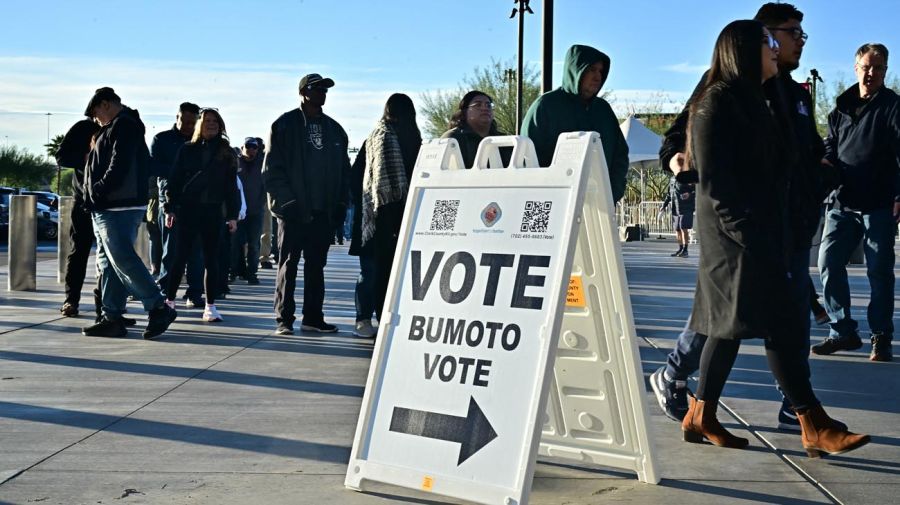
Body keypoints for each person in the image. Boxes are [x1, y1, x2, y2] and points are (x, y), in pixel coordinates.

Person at [680, 19, 868, 458]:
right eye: (767, 44)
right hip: (737, 241)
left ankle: (699, 415)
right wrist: (755, 239)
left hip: (768, 231)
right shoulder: (716, 103)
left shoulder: (761, 99)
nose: (774, 51)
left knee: (727, 330)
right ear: (744, 51)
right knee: (781, 323)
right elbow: (717, 188)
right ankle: (812, 423)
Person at [651, 3, 839, 431]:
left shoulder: (793, 93)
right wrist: (675, 162)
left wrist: (822, 174)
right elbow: (681, 135)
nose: (797, 42)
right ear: (763, 36)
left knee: (781, 316)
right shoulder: (725, 88)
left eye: (799, 35)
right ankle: (678, 375)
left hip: (787, 222)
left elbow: (805, 152)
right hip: (741, 224)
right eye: (791, 33)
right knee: (723, 315)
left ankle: (795, 407)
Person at [814, 43, 900, 362]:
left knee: (879, 271)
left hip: (879, 204)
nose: (871, 72)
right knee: (828, 262)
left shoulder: (893, 107)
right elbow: (829, 147)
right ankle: (842, 331)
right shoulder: (840, 109)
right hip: (842, 203)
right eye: (866, 66)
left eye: (878, 67)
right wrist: (823, 165)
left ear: (885, 71)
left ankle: (881, 337)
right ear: (856, 68)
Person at [80, 87, 177, 339]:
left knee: (122, 257)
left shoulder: (124, 125)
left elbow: (119, 165)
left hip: (117, 205)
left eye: (95, 113)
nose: (95, 119)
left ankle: (158, 306)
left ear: (105, 105)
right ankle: (111, 316)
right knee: (110, 263)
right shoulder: (116, 127)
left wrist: (98, 192)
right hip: (108, 205)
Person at [263, 73, 350, 335]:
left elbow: (344, 171)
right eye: (317, 88)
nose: (322, 93)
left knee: (316, 266)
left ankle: (313, 317)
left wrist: (341, 203)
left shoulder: (335, 129)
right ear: (303, 92)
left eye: (325, 89)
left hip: (323, 210)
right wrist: (286, 202)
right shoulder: (285, 125)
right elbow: (272, 170)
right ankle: (284, 319)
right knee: (288, 263)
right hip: (292, 211)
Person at [521, 44, 628, 203]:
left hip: (599, 207)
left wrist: (611, 193)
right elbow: (527, 157)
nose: (598, 76)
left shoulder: (603, 110)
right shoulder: (545, 106)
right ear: (576, 69)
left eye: (600, 71)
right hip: (555, 205)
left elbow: (620, 154)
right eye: (592, 69)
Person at [163, 108, 240, 322]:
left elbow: (231, 187)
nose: (211, 124)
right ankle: (169, 301)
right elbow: (174, 180)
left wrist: (232, 215)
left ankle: (210, 306)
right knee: (179, 257)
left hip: (213, 211)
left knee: (211, 260)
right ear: (199, 124)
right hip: (187, 210)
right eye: (207, 121)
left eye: (215, 121)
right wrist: (169, 208)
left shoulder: (226, 152)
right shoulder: (187, 149)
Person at [362, 93, 422, 328]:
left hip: (382, 212)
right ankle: (388, 315)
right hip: (398, 211)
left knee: (383, 269)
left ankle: (382, 316)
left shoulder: (377, 134)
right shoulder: (398, 136)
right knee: (393, 269)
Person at [151, 102, 205, 308]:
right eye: (185, 121)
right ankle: (166, 291)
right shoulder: (162, 139)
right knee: (170, 250)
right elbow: (153, 166)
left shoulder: (200, 141)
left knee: (196, 252)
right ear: (177, 117)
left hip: (197, 203)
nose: (188, 126)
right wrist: (180, 170)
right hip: (170, 202)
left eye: (193, 122)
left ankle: (195, 292)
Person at [57, 118, 100, 318]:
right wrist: (88, 158)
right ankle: (71, 300)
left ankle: (109, 305)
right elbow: (62, 156)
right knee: (79, 251)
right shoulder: (84, 127)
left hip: (112, 202)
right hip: (83, 200)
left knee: (112, 257)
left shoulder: (120, 127)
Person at [348, 141, 377, 338]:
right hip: (372, 220)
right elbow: (354, 179)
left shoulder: (412, 139)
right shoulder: (375, 142)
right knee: (370, 272)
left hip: (400, 220)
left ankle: (384, 318)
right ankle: (363, 319)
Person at [440, 90, 508, 168]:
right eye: (478, 105)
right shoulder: (453, 138)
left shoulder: (503, 140)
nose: (485, 108)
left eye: (488, 105)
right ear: (464, 112)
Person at [232, 137, 265, 285]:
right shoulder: (235, 162)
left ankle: (252, 273)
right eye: (248, 146)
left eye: (254, 147)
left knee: (253, 243)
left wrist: (262, 202)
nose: (251, 149)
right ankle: (236, 271)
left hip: (256, 211)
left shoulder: (262, 163)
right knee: (236, 243)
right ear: (242, 147)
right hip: (237, 212)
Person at [659, 175, 696, 257]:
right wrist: (664, 206)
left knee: (683, 228)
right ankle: (680, 248)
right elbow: (669, 194)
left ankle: (685, 250)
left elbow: (696, 190)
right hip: (675, 208)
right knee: (677, 229)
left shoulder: (687, 177)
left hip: (686, 208)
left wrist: (689, 194)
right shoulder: (672, 179)